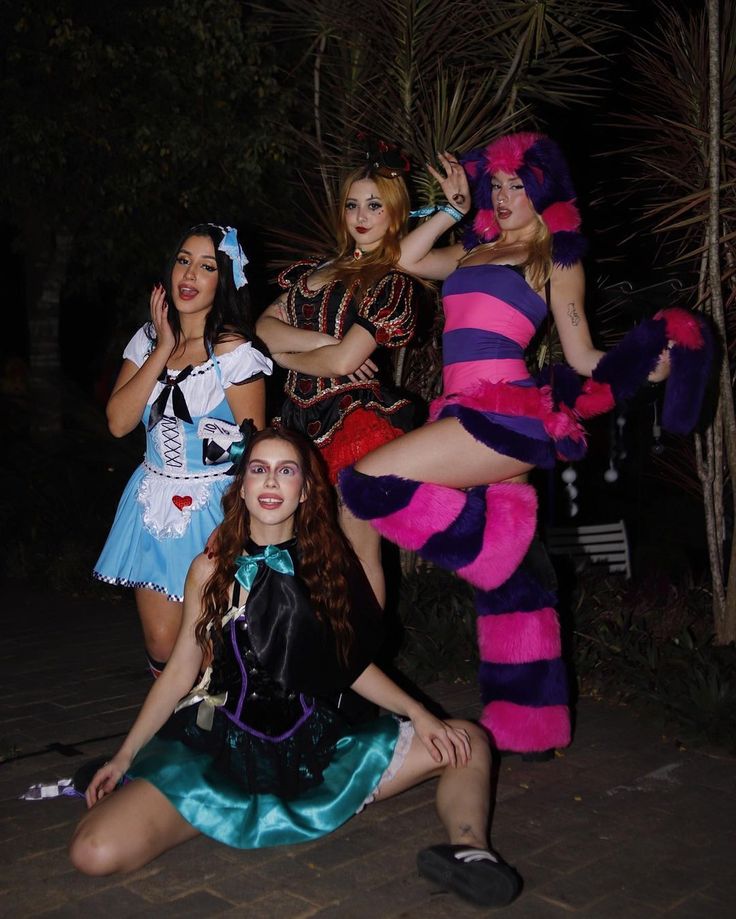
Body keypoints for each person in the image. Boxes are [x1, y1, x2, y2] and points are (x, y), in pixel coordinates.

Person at [338, 132, 712, 753]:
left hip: (506, 414)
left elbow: (584, 354)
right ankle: (530, 725)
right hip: (458, 408)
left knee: (362, 487)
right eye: (499, 185)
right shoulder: (469, 251)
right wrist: (453, 211)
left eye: (520, 186)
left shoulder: (555, 260)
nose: (506, 196)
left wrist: (654, 367)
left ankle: (357, 650)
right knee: (516, 581)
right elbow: (403, 258)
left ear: (544, 194)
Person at [70, 427, 521, 909]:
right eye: (258, 470)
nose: (270, 482)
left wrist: (420, 712)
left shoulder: (328, 567)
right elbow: (180, 672)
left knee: (467, 741)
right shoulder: (210, 569)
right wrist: (124, 754)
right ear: (240, 486)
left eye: (286, 471)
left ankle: (471, 852)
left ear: (306, 490)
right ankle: (195, 804)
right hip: (221, 752)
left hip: (316, 750)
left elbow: (348, 667)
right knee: (92, 852)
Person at [93, 224, 272, 675]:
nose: (189, 274)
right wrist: (164, 347)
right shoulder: (148, 340)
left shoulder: (232, 350)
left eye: (207, 266)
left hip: (216, 507)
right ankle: (178, 734)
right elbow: (118, 422)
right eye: (183, 260)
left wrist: (238, 522)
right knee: (160, 644)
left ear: (223, 279)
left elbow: (257, 449)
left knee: (211, 648)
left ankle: (217, 737)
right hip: (152, 504)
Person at [256, 154, 418, 608]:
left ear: (395, 214)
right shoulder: (313, 272)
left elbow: (346, 360)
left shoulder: (391, 280)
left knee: (359, 552)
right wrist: (321, 341)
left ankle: (365, 660)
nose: (361, 217)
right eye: (353, 205)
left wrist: (290, 355)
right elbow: (262, 330)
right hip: (294, 422)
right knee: (304, 554)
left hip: (353, 421)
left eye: (374, 206)